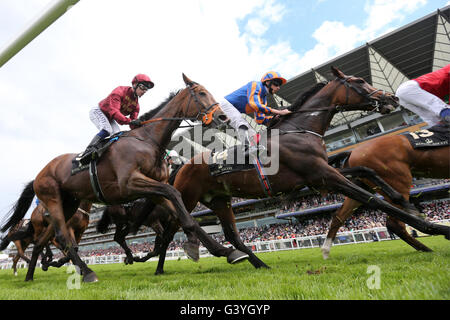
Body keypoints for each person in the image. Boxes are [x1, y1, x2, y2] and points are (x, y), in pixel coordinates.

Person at [77, 74, 154, 164]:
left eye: (146, 89)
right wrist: (130, 121)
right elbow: (114, 112)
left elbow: (132, 125)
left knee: (117, 135)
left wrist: (141, 126)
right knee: (107, 130)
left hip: (109, 118)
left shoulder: (136, 106)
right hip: (99, 111)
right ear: (134, 84)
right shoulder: (120, 91)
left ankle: (101, 153)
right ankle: (88, 151)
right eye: (142, 87)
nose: (144, 91)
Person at [220, 71, 292, 155]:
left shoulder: (263, 100)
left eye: (279, 85)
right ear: (267, 82)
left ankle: (253, 156)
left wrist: (275, 118)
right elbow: (254, 104)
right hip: (225, 104)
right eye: (276, 84)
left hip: (233, 109)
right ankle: (246, 149)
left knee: (254, 135)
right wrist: (279, 112)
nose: (278, 87)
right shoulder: (255, 85)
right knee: (241, 122)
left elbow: (259, 119)